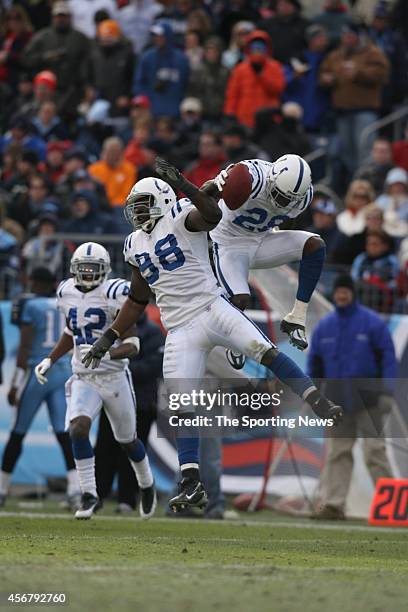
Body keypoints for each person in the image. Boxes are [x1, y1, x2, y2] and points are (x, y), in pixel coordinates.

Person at [81, 158, 342, 513]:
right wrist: (108, 337)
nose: (137, 214)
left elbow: (212, 215)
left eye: (143, 206)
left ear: (160, 202)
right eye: (134, 208)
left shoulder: (180, 216)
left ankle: (317, 401)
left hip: (211, 307)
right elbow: (137, 298)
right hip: (180, 328)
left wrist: (185, 184)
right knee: (183, 405)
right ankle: (190, 482)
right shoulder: (133, 244)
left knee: (260, 349)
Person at [33, 243, 156, 519]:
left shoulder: (115, 294)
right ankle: (88, 494)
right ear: (73, 270)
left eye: (93, 270)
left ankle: (146, 484)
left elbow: (133, 345)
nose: (87, 275)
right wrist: (50, 359)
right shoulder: (66, 292)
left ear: (105, 271)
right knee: (77, 428)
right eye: (83, 270)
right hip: (83, 376)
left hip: (114, 376)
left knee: (127, 440)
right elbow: (70, 331)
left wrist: (107, 351)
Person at [209, 155, 321, 354]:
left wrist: (281, 243)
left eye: (288, 200)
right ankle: (232, 343)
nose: (281, 202)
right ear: (272, 178)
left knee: (315, 245)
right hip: (229, 242)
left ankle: (297, 316)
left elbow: (288, 222)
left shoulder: (303, 198)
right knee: (240, 300)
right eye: (279, 195)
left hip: (263, 239)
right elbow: (210, 195)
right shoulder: (249, 177)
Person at [308, 274, 396, 520]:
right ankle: (334, 505)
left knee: (374, 452)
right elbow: (314, 364)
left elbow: (388, 359)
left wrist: (388, 391)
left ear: (353, 293)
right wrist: (311, 393)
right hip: (336, 402)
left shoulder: (372, 323)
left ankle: (393, 506)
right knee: (337, 452)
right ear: (334, 294)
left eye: (345, 291)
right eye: (338, 291)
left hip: (369, 400)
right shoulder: (325, 327)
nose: (341, 295)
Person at [0, 268, 79, 508]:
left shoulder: (31, 306)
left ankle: (2, 489)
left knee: (18, 431)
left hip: (38, 370)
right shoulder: (63, 303)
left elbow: (24, 348)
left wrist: (15, 382)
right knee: (64, 433)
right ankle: (76, 489)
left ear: (34, 281)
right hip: (62, 371)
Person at [95, 312, 165, 513]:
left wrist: (119, 367)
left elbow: (153, 367)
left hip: (141, 403)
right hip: (112, 397)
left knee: (132, 450)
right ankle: (97, 496)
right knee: (104, 449)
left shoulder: (152, 332)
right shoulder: (111, 331)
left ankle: (127, 499)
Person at [319, 24, 389, 177]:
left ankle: (367, 181)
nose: (346, 38)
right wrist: (326, 79)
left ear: (358, 36)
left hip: (364, 109)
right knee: (347, 152)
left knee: (366, 149)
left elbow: (382, 74)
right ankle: (355, 182)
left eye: (350, 35)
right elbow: (324, 72)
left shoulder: (372, 52)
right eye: (344, 35)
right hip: (342, 110)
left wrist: (358, 73)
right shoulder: (336, 55)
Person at [23, 1, 90, 121]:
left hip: (71, 91)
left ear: (70, 17)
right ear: (53, 17)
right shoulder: (42, 36)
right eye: (58, 16)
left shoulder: (80, 38)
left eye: (64, 16)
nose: (61, 19)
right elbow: (26, 59)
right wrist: (44, 57)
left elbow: (88, 63)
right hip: (46, 92)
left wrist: (85, 85)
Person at [223, 29, 285, 129]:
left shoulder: (275, 67)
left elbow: (278, 89)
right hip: (244, 118)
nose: (257, 51)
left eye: (260, 47)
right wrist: (230, 113)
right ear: (249, 48)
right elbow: (232, 94)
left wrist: (261, 75)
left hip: (268, 120)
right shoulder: (240, 69)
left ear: (266, 48)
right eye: (255, 47)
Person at [133, 21, 189, 119]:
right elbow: (139, 84)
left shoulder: (181, 59)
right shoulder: (147, 57)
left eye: (160, 35)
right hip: (152, 111)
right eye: (155, 36)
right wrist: (147, 102)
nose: (157, 38)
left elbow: (187, 84)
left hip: (175, 112)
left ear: (168, 36)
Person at [351, 229, 399, 311]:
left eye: (375, 244)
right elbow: (354, 278)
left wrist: (376, 283)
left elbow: (394, 283)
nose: (370, 247)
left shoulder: (391, 261)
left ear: (385, 246)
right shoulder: (361, 259)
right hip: (362, 292)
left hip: (382, 297)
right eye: (368, 244)